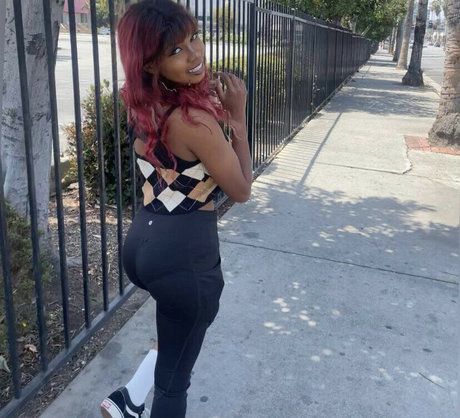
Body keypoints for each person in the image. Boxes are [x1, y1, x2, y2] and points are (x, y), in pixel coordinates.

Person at [100, 0, 252, 417]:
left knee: (178, 328)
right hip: (185, 258)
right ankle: (141, 398)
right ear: (150, 63)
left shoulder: (142, 105)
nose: (195, 53)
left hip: (143, 246)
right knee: (173, 384)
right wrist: (238, 120)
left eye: (195, 38)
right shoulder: (195, 123)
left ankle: (130, 398)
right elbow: (241, 189)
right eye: (176, 50)